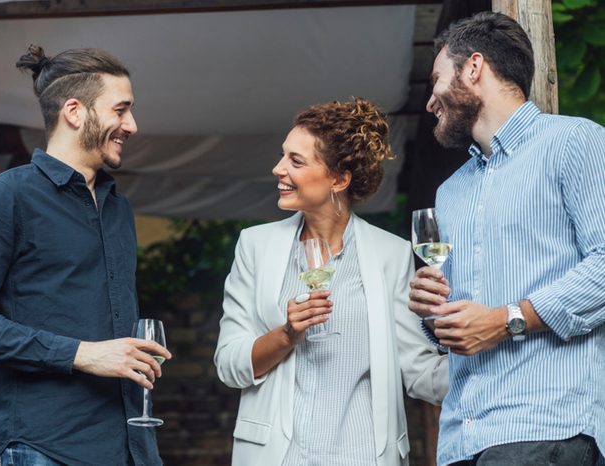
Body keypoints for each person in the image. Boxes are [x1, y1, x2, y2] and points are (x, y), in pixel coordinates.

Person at [0, 45, 171, 466]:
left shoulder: (118, 207)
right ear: (75, 111)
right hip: (42, 447)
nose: (132, 125)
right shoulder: (5, 197)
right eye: (121, 110)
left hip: (130, 447)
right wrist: (83, 353)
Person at [408, 11, 605, 466]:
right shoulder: (450, 192)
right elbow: (461, 319)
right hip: (461, 437)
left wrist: (507, 319)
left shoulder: (573, 142)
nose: (430, 101)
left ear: (473, 68)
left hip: (545, 427)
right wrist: (431, 312)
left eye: (437, 79)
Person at [215, 97, 448, 466]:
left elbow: (418, 371)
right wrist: (286, 335)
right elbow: (229, 365)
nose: (278, 169)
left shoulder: (392, 254)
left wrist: (487, 354)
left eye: (296, 160)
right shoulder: (255, 246)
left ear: (339, 179)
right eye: (283, 156)